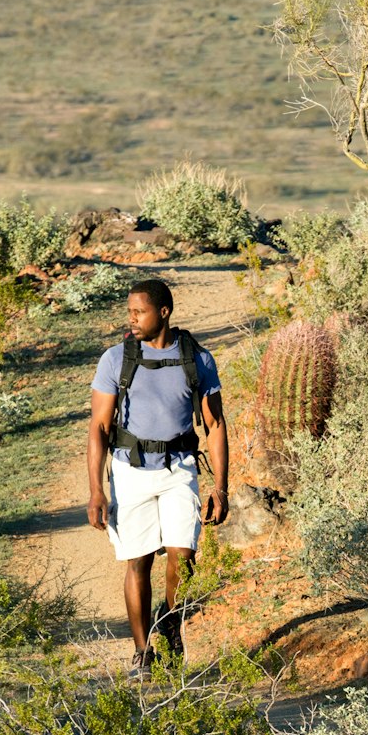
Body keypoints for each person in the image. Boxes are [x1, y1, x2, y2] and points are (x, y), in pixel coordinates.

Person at [86, 278, 228, 670]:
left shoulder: (197, 359)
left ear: (163, 312)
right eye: (129, 310)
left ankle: (168, 623)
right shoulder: (116, 359)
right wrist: (97, 490)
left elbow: (215, 425)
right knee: (139, 561)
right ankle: (142, 652)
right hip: (130, 471)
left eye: (139, 311)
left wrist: (221, 486)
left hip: (179, 468)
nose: (130, 318)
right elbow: (99, 427)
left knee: (184, 558)